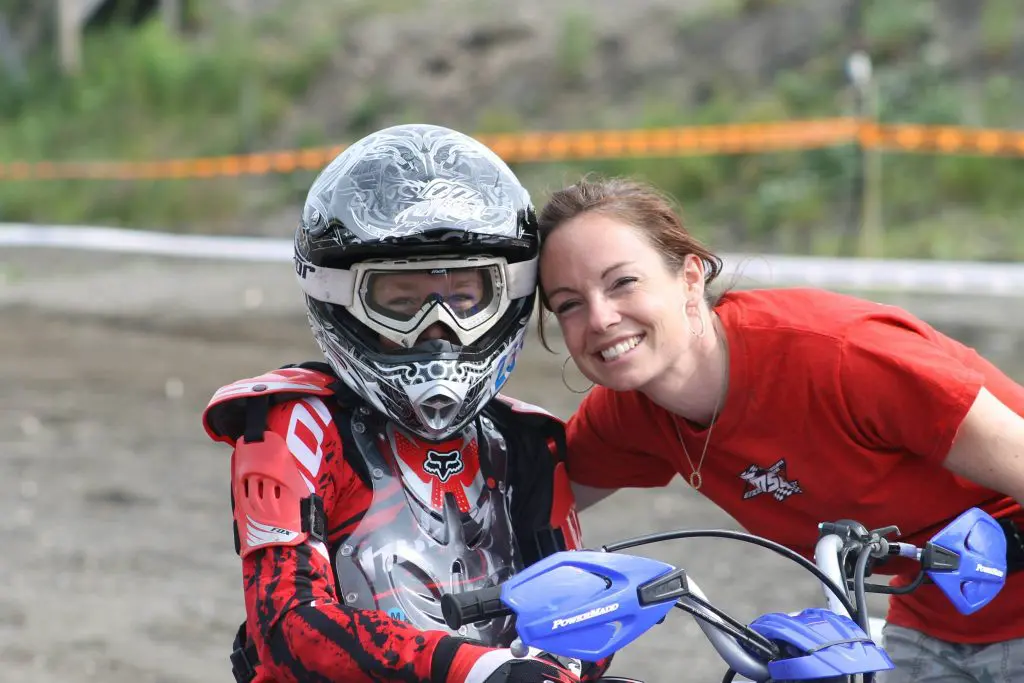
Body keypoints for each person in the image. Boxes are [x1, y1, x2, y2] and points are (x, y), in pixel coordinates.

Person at [535, 175, 1024, 683]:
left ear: (689, 278)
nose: (600, 318)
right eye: (569, 303)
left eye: (623, 282)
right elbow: (519, 506)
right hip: (928, 621)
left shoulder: (839, 357)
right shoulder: (629, 410)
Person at [201, 124, 604, 683]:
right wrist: (478, 670)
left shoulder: (525, 440)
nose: (436, 326)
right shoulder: (295, 424)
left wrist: (564, 661)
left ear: (507, 293)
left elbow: (574, 607)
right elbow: (286, 626)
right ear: (339, 296)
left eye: (465, 297)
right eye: (400, 300)